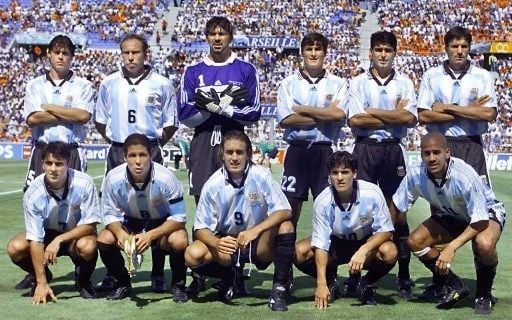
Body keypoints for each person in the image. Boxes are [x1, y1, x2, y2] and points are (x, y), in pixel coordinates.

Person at [178, 16, 260, 294]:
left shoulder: (245, 69)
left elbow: (254, 111)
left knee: (238, 205)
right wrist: (212, 105)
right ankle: (200, 272)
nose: (217, 38)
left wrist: (226, 109)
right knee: (203, 203)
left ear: (230, 37)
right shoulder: (192, 70)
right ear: (206, 37)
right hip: (203, 141)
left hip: (234, 138)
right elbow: (184, 114)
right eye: (212, 33)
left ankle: (235, 272)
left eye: (222, 33)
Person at [94, 34, 178, 293]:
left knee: (159, 211)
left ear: (145, 54)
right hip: (119, 149)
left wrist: (153, 145)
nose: (131, 57)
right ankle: (116, 273)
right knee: (117, 210)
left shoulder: (162, 83)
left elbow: (170, 123)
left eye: (136, 53)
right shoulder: (109, 83)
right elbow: (100, 120)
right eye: (126, 53)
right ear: (121, 54)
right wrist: (120, 142)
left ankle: (157, 273)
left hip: (150, 148)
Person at [392, 132, 505, 315]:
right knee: (415, 241)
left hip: (486, 212)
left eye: (436, 152)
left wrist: (450, 248)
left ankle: (484, 294)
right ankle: (454, 285)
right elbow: (397, 206)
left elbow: (480, 219)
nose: (431, 158)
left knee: (484, 244)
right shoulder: (416, 173)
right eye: (426, 153)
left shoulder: (464, 174)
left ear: (447, 153)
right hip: (453, 214)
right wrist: (384, 234)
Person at [184, 131, 295, 311]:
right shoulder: (212, 184)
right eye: (229, 152)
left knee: (286, 226)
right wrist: (217, 242)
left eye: (239, 152)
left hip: (258, 242)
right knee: (192, 254)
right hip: (227, 243)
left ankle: (279, 288)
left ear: (248, 154)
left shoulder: (261, 175)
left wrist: (255, 230)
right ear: (222, 154)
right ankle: (229, 276)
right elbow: (200, 229)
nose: (234, 157)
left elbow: (284, 210)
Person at [18, 34, 95, 290]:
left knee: (77, 207)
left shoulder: (82, 85)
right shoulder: (34, 84)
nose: (61, 56)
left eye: (66, 53)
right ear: (49, 54)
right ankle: (36, 268)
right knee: (35, 202)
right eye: (57, 52)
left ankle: (80, 267)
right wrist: (65, 113)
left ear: (72, 56)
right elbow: (32, 119)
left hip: (72, 151)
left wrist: (49, 108)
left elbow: (83, 116)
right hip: (42, 150)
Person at [347, 30, 417, 299]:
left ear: (395, 53)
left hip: (392, 150)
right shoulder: (357, 82)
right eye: (379, 50)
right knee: (360, 210)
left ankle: (404, 275)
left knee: (397, 213)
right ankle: (356, 275)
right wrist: (393, 116)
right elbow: (355, 120)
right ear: (371, 53)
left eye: (388, 50)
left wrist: (372, 111)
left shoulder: (405, 83)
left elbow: (410, 119)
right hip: (364, 148)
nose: (383, 55)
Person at [294, 151, 397, 308]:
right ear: (330, 175)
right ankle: (331, 282)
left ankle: (365, 283)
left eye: (345, 172)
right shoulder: (322, 200)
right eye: (335, 173)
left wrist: (363, 250)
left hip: (365, 243)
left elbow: (387, 231)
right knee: (299, 252)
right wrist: (321, 283)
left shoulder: (372, 192)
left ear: (354, 173)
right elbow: (320, 244)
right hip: (335, 245)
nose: (340, 177)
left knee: (390, 251)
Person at [97, 133, 189, 302]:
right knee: (104, 239)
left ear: (151, 155)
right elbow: (109, 214)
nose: (138, 161)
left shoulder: (166, 177)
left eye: (142, 155)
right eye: (132, 155)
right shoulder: (112, 178)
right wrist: (121, 234)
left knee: (180, 239)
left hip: (161, 223)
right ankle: (123, 283)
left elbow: (179, 217)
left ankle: (178, 285)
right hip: (131, 221)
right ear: (124, 157)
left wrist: (150, 236)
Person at [6, 142, 101, 304]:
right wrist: (42, 282)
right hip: (47, 234)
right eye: (49, 163)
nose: (53, 169)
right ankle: (42, 277)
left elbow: (90, 224)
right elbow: (35, 238)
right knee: (15, 247)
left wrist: (59, 240)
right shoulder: (33, 193)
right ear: (42, 164)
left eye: (59, 164)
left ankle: (83, 281)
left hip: (76, 234)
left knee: (88, 246)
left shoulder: (84, 183)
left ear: (68, 164)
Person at [276, 32, 348, 228]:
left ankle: (322, 257)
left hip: (324, 152)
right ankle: (286, 257)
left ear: (325, 53)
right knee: (288, 213)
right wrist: (325, 113)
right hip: (296, 151)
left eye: (318, 49)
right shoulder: (288, 83)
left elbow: (339, 115)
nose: (313, 53)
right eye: (309, 49)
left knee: (327, 210)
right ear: (302, 53)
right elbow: (286, 119)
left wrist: (303, 110)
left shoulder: (338, 83)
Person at [417, 26, 497, 185]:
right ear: (446, 48)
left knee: (477, 199)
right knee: (439, 201)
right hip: (440, 144)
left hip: (471, 144)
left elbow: (489, 114)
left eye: (464, 46)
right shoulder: (432, 76)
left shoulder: (482, 76)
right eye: (454, 46)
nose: (459, 51)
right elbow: (424, 116)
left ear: (469, 48)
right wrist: (471, 109)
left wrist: (448, 107)